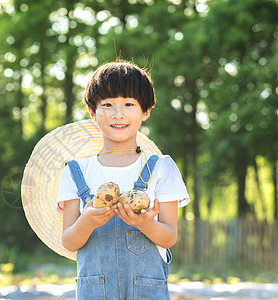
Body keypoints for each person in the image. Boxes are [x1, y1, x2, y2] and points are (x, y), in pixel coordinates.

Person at [56, 61, 190, 299]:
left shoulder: (161, 167)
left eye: (129, 104)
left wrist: (145, 223)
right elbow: (69, 241)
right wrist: (87, 221)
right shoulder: (75, 171)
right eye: (107, 105)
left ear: (145, 111)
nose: (118, 114)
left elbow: (169, 237)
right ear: (92, 112)